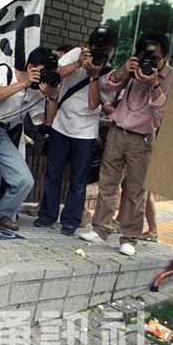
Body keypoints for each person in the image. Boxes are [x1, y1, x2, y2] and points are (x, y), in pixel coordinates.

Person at [80, 32, 173, 256]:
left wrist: (154, 84)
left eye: (155, 59)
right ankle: (100, 228)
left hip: (142, 138)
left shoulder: (171, 77)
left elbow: (163, 113)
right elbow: (105, 83)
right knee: (107, 183)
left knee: (135, 190)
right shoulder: (131, 70)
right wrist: (124, 71)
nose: (149, 63)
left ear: (165, 58)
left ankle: (129, 238)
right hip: (117, 132)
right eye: (144, 57)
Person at [0, 48, 58, 232]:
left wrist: (53, 97)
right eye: (42, 71)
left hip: (4, 134)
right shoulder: (5, 72)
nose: (44, 76)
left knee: (25, 180)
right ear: (30, 67)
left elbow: (47, 121)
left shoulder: (37, 92)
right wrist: (24, 84)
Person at [35, 28, 119, 236]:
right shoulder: (76, 54)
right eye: (96, 48)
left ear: (113, 51)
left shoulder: (109, 75)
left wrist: (94, 76)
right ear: (88, 47)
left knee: (78, 179)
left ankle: (71, 221)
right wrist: (80, 63)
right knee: (53, 174)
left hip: (86, 132)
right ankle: (47, 215)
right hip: (61, 124)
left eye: (106, 50)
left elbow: (93, 104)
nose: (100, 53)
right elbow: (55, 75)